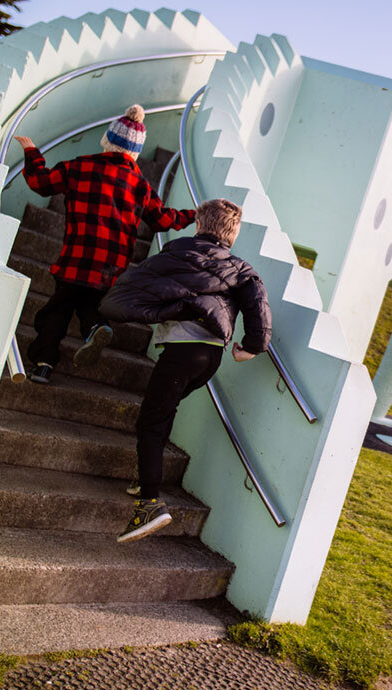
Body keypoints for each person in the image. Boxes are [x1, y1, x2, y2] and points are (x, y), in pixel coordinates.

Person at [99, 198, 272, 543]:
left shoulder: (174, 254)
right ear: (233, 234)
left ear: (198, 223)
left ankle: (150, 502)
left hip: (180, 354)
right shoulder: (239, 267)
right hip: (210, 359)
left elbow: (127, 287)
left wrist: (153, 311)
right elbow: (258, 304)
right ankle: (145, 477)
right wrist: (251, 347)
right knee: (163, 413)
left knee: (150, 422)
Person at [14, 104, 197, 384]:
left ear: (107, 141)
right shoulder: (140, 184)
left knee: (57, 311)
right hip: (110, 268)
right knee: (90, 306)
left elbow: (41, 182)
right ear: (135, 153)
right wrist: (195, 215)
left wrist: (31, 152)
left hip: (74, 260)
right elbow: (163, 220)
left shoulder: (80, 166)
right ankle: (96, 327)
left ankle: (43, 364)